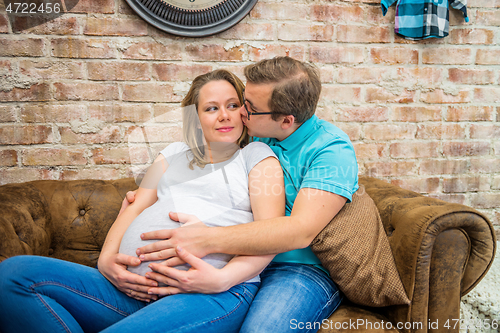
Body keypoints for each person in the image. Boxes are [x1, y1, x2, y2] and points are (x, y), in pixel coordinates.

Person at [0, 69, 285, 333]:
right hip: (131, 291)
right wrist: (106, 260)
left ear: (245, 112)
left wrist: (219, 279)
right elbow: (136, 206)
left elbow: (270, 236)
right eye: (211, 108)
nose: (224, 115)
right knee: (14, 275)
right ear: (196, 119)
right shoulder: (172, 153)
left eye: (233, 105)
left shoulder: (255, 156)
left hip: (210, 293)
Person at [121, 57, 359, 332]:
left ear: (286, 120)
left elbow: (299, 231)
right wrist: (144, 201)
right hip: (239, 260)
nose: (240, 114)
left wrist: (208, 243)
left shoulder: (331, 151)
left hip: (295, 269)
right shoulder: (259, 133)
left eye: (249, 108)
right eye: (243, 101)